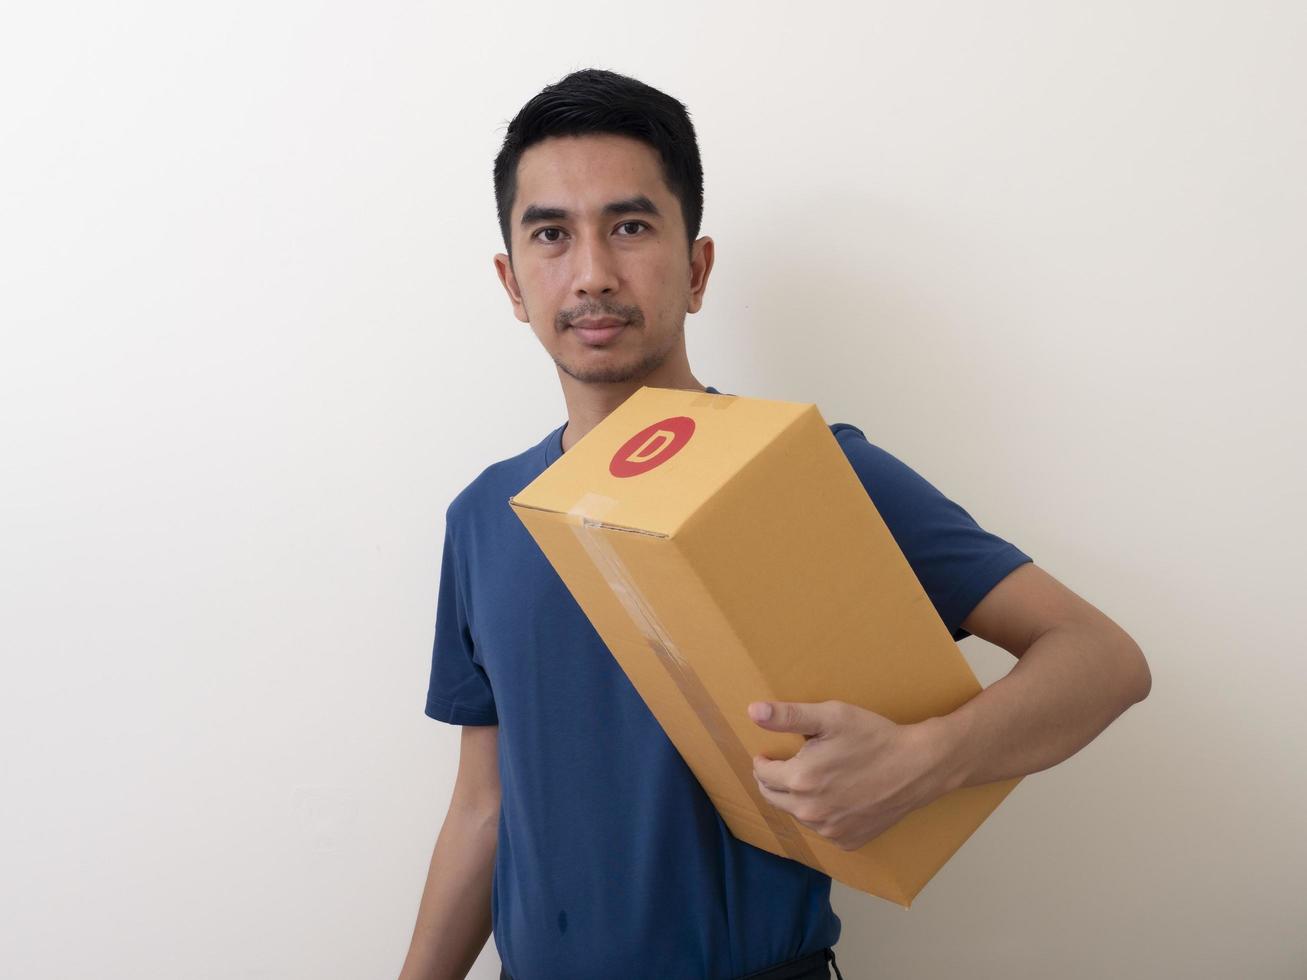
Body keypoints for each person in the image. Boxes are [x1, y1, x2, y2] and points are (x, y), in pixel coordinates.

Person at [397, 69, 1152, 980]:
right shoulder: (484, 516)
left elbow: (1101, 659)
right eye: (550, 234)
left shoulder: (805, 469)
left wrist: (926, 759)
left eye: (630, 227)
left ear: (697, 266)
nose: (592, 272)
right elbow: (484, 807)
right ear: (512, 282)